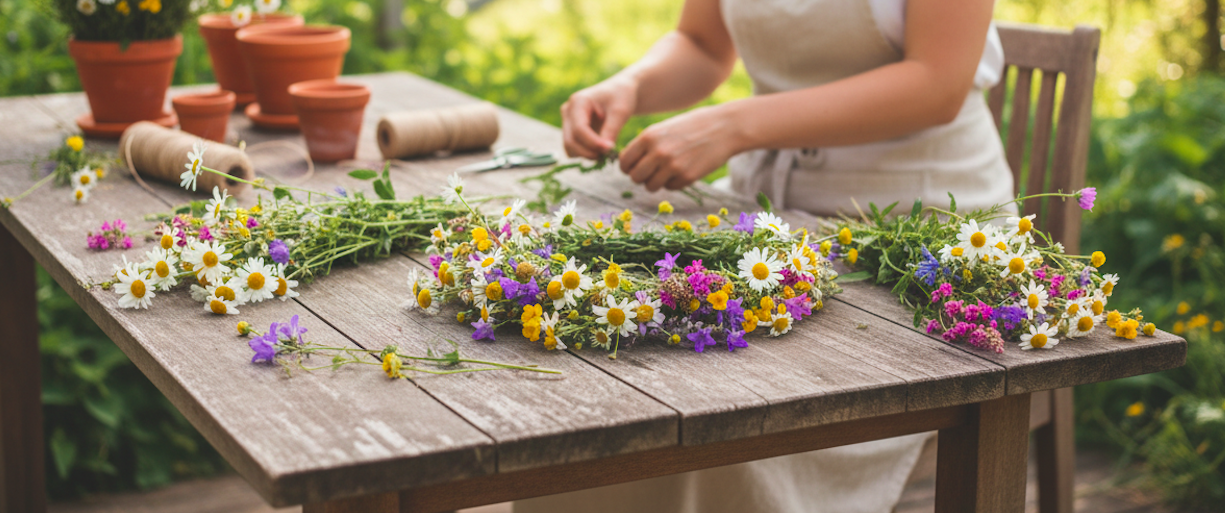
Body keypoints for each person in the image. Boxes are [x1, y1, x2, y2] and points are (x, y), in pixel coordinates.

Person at [517, 0, 1014, 511]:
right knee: (603, 395)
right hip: (764, 220)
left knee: (728, 427)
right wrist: (631, 86)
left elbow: (937, 83)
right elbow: (702, 45)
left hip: (917, 244)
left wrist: (733, 125)